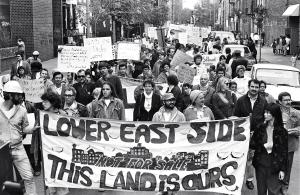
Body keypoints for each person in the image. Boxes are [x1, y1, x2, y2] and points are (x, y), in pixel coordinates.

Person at [0, 81, 39, 195]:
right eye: (18, 94)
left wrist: (31, 130)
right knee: (4, 180)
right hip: (2, 152)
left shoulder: (22, 110)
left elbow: (24, 128)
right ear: (10, 95)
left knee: (29, 177)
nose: (21, 97)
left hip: (18, 148)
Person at [234, 79, 268, 190]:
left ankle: (249, 179)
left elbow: (266, 118)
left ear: (259, 88)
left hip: (257, 135)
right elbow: (236, 116)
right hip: (242, 134)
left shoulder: (263, 101)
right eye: (252, 86)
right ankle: (236, 180)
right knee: (239, 156)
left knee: (251, 158)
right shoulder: (240, 100)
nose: (254, 89)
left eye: (256, 87)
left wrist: (259, 130)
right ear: (248, 87)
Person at [252, 103, 288, 195]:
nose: (265, 114)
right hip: (260, 164)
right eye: (265, 112)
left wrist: (283, 170)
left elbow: (284, 152)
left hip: (275, 165)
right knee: (261, 191)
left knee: (274, 192)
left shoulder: (282, 131)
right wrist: (262, 145)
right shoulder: (260, 128)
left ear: (274, 114)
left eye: (268, 113)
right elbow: (252, 144)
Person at [40, 91, 69, 195]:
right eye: (42, 101)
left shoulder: (63, 115)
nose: (43, 103)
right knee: (50, 182)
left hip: (61, 152)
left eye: (45, 101)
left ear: (53, 102)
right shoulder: (41, 115)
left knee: (61, 179)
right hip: (47, 153)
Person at [278, 92, 300, 194]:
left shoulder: (296, 113)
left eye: (289, 99)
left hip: (290, 145)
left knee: (287, 166)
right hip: (276, 145)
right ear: (280, 102)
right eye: (286, 100)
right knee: (275, 165)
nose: (288, 102)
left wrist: (292, 131)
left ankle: (284, 187)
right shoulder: (275, 112)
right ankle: (276, 185)